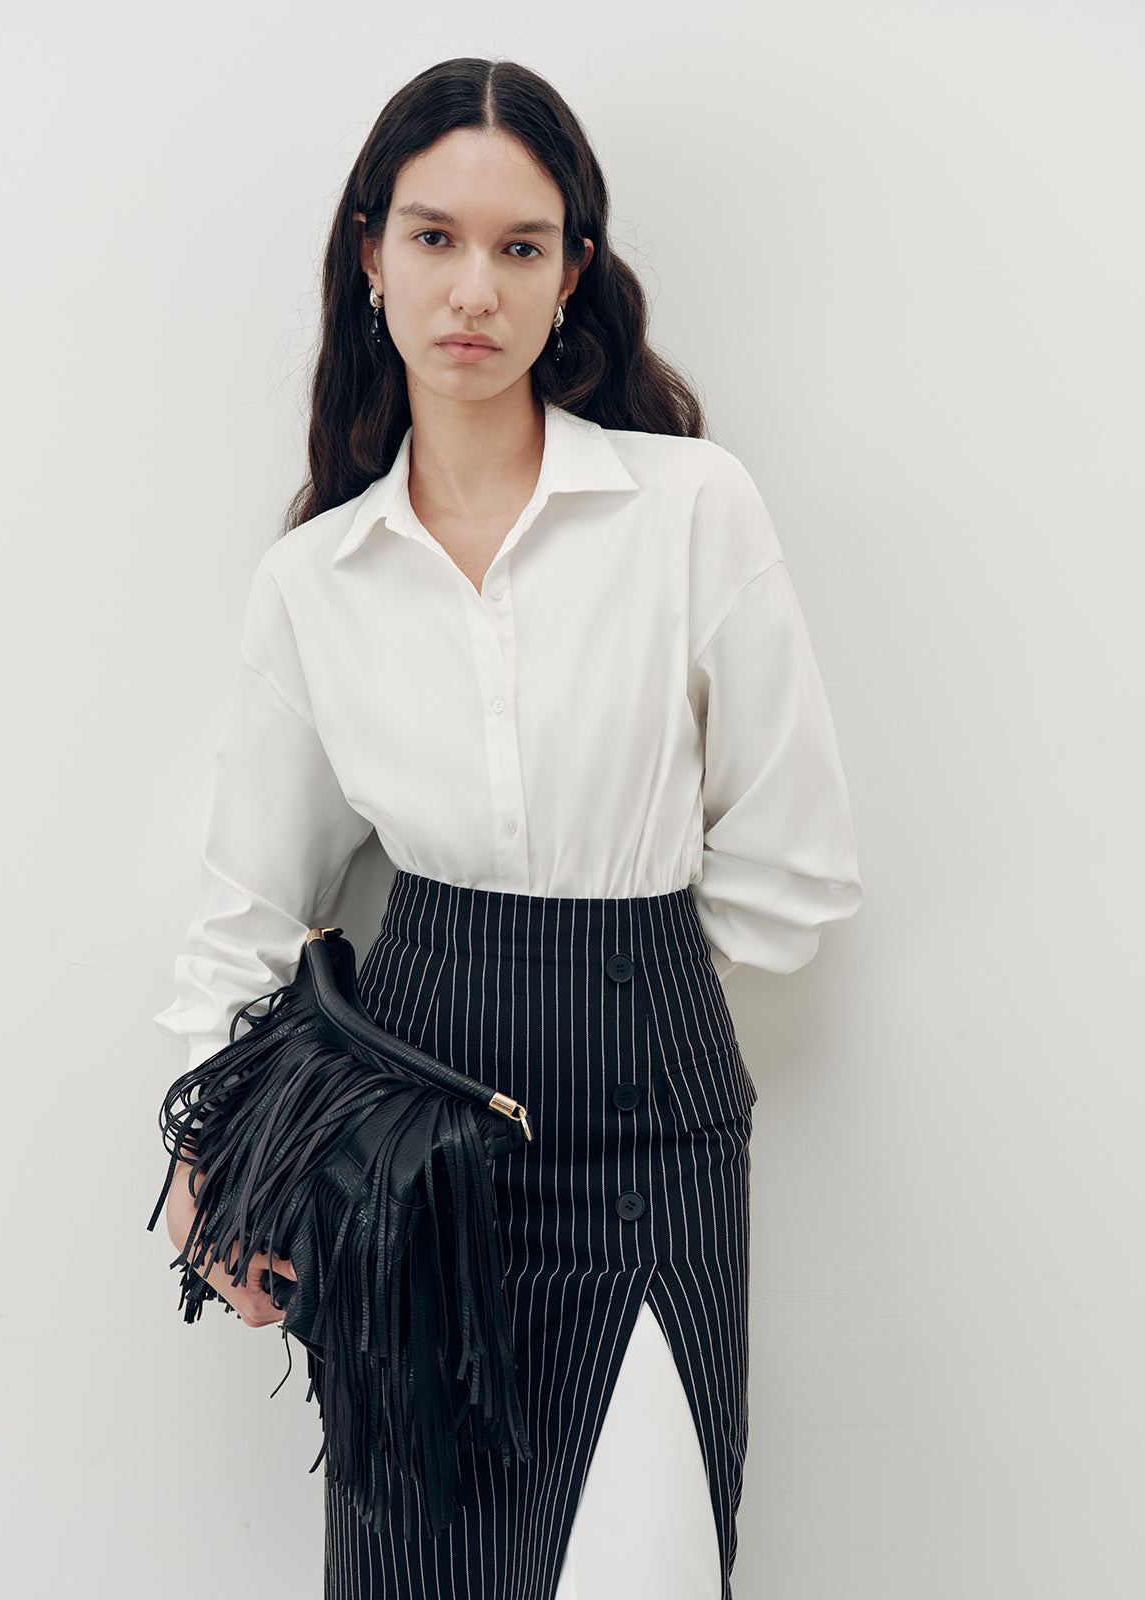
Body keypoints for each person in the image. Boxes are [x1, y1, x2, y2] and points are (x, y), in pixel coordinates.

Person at [153, 56, 861, 1600]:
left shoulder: (692, 509)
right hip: (403, 1147)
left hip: (652, 1134)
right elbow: (250, 901)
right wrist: (212, 1160)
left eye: (520, 246)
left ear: (571, 276)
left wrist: (629, 993)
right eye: (434, 237)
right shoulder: (317, 581)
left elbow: (796, 867)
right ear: (371, 257)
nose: (474, 287)